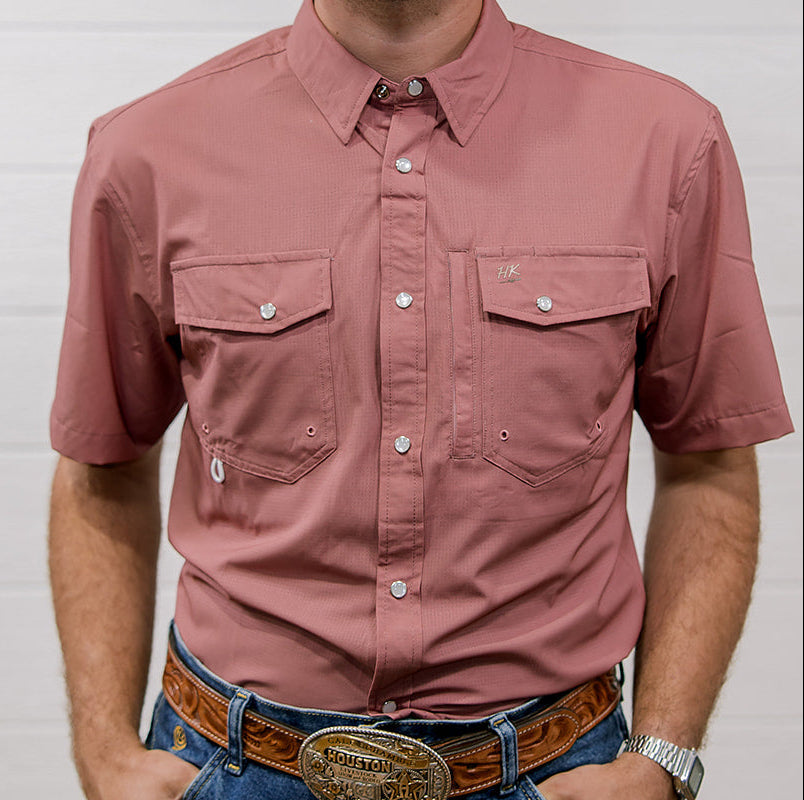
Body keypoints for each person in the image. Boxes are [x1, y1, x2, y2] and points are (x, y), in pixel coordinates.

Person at [48, 0, 794, 798]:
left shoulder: (665, 140)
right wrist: (104, 755)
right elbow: (102, 469)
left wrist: (663, 759)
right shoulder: (150, 152)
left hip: (559, 772)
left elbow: (709, 463)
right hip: (229, 767)